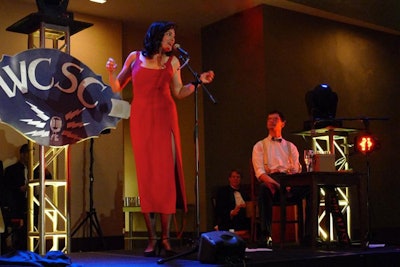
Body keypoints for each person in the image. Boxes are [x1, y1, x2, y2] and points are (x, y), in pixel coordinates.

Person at [106, 21, 215, 257]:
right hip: (142, 121)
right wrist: (111, 71)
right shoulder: (135, 58)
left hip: (166, 118)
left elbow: (178, 92)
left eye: (174, 36)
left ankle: (165, 238)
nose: (172, 40)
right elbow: (117, 86)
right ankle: (151, 238)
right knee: (146, 177)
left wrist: (197, 83)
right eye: (169, 35)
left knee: (165, 177)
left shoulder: (174, 62)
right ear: (156, 36)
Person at [252, 110, 306, 247]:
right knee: (264, 189)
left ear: (283, 123)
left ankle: (308, 235)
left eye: (275, 119)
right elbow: (260, 173)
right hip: (271, 181)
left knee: (310, 189)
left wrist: (290, 183)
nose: (271, 121)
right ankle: (266, 235)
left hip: (289, 181)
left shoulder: (291, 147)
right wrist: (276, 184)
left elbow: (297, 169)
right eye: (269, 119)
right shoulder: (259, 146)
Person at [214, 169, 250, 239]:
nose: (235, 179)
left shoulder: (245, 192)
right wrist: (231, 212)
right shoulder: (223, 192)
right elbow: (219, 208)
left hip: (243, 220)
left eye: (238, 177)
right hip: (229, 219)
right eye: (233, 177)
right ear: (229, 179)